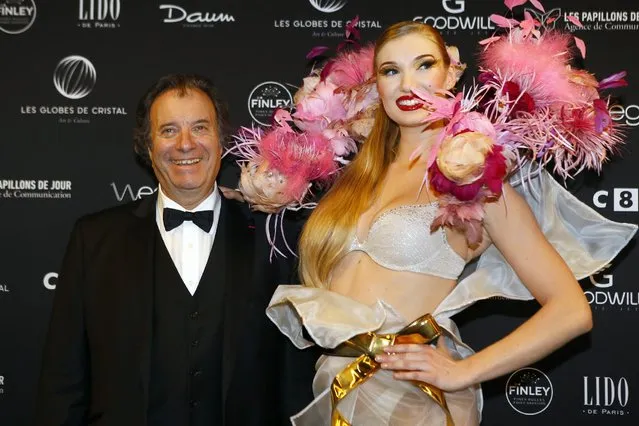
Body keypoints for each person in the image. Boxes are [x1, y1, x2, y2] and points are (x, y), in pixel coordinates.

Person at [264, 22, 638, 425]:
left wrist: (461, 372)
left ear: (452, 73)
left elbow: (571, 312)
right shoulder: (353, 179)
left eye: (423, 65)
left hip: (412, 401)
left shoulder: (473, 185)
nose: (408, 84)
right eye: (391, 71)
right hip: (336, 390)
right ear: (377, 85)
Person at [34, 73, 316, 426]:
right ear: (148, 147)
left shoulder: (276, 237)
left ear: (221, 139)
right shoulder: (94, 240)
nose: (186, 144)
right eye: (168, 130)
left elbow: (297, 380)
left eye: (200, 127)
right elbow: (63, 382)